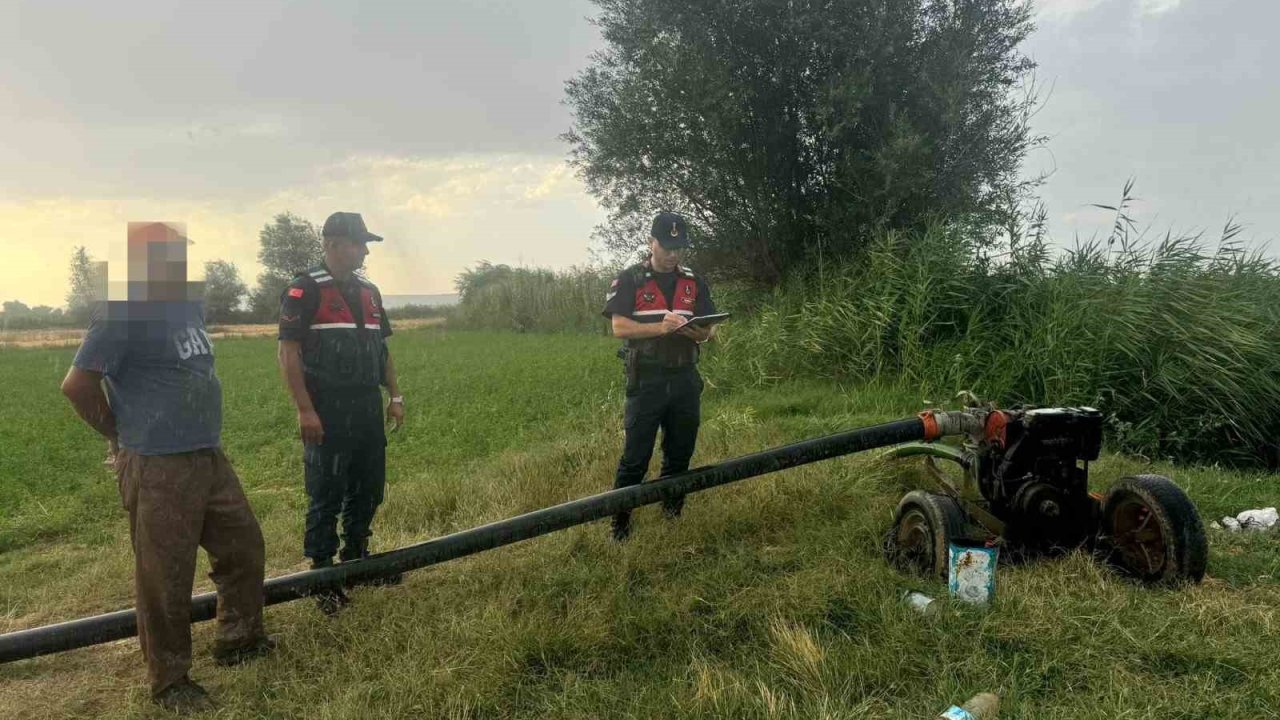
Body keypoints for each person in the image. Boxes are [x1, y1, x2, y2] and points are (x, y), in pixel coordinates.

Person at [61, 222, 271, 714]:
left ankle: (238, 641)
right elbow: (76, 385)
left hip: (207, 453)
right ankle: (170, 680)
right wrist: (118, 435)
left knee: (243, 547)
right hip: (156, 464)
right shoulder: (121, 311)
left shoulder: (185, 306)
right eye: (169, 255)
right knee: (165, 577)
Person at [276, 212, 405, 614]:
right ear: (333, 244)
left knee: (368, 487)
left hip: (366, 404)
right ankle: (322, 575)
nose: (365, 250)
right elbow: (288, 353)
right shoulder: (304, 290)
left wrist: (395, 395)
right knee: (326, 493)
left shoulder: (369, 291)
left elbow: (381, 350)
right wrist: (305, 409)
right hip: (327, 407)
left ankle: (356, 557)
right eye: (358, 243)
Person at [601, 211, 718, 541]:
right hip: (647, 381)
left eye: (678, 247)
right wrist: (658, 327)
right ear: (651, 242)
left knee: (680, 453)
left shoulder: (693, 281)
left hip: (684, 377)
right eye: (666, 246)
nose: (672, 254)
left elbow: (708, 326)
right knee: (635, 459)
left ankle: (672, 514)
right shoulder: (631, 279)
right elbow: (619, 327)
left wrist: (701, 333)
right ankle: (620, 526)